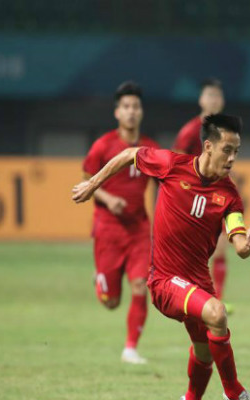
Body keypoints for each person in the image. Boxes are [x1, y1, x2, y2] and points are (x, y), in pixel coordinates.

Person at [73, 114, 250, 400]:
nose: (232, 158)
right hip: (165, 280)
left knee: (205, 352)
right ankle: (235, 392)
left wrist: (248, 243)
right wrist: (93, 185)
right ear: (208, 146)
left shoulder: (229, 194)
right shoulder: (171, 164)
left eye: (237, 151)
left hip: (198, 282)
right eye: (227, 150)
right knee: (217, 313)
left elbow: (238, 245)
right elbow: (129, 154)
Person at [82, 81, 159, 365]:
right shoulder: (103, 146)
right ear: (117, 112)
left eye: (136, 106)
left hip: (139, 229)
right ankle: (101, 283)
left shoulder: (149, 148)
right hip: (108, 229)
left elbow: (162, 183)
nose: (131, 112)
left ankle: (130, 348)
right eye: (126, 106)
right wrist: (108, 198)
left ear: (141, 112)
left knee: (141, 285)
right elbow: (85, 180)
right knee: (111, 302)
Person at [173, 78, 230, 308]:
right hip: (192, 198)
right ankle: (189, 297)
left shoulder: (226, 131)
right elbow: (175, 165)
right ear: (201, 100)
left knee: (222, 246)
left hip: (217, 197)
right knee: (194, 253)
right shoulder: (189, 132)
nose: (214, 100)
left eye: (218, 96)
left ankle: (218, 299)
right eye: (210, 96)